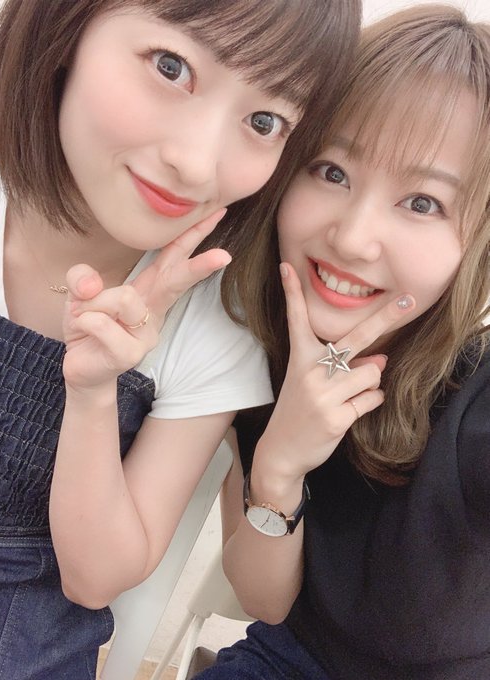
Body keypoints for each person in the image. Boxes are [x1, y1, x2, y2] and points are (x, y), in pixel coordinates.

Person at [0, 1, 362, 678]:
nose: (194, 162)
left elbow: (95, 579)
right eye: (170, 66)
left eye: (264, 121)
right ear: (68, 25)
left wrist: (93, 394)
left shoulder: (214, 326)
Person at [192, 5, 490, 680]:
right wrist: (279, 466)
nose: (352, 238)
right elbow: (265, 602)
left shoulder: (475, 393)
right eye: (331, 171)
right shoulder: (253, 344)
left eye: (422, 203)